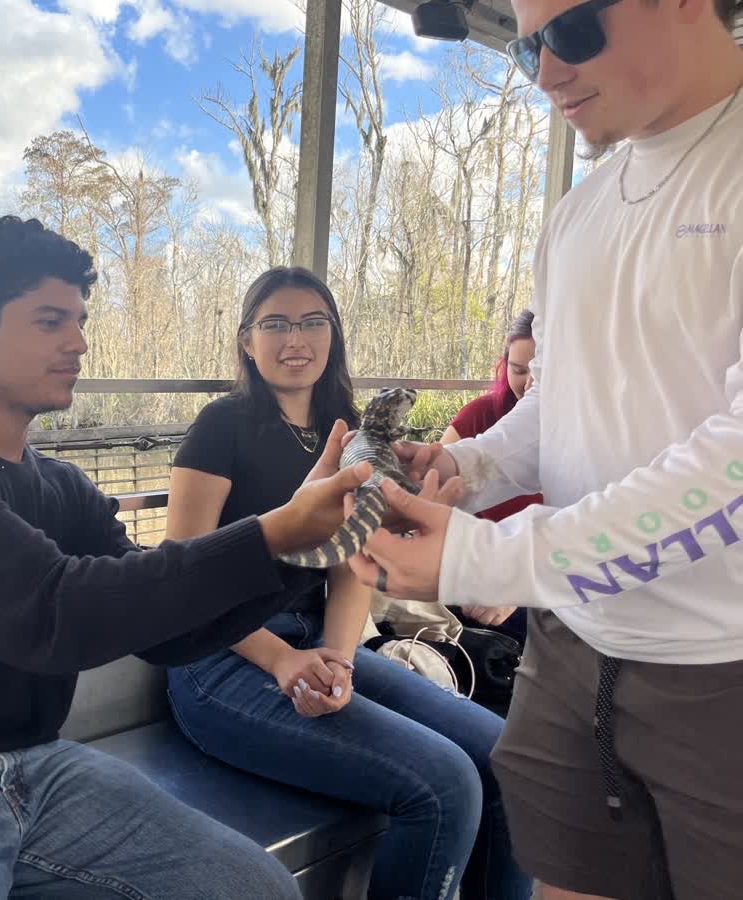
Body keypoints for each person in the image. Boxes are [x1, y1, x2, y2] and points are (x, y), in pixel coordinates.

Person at [0, 216, 378, 898]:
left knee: (261, 890)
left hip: (36, 773)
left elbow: (171, 630)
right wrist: (271, 533)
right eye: (50, 321)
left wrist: (305, 545)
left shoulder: (62, 488)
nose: (78, 343)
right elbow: (54, 613)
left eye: (79, 321)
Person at [345, 5, 743, 899]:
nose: (542, 70)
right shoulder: (576, 213)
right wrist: (470, 472)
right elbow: (560, 398)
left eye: (569, 31)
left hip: (722, 668)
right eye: (525, 43)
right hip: (566, 655)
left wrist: (489, 555)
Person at [163, 266, 532, 900]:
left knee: (507, 758)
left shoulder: (352, 426)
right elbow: (180, 576)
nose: (294, 338)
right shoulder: (222, 425)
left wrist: (339, 658)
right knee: (444, 785)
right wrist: (283, 660)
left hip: (321, 640)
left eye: (313, 321)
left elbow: (350, 562)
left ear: (333, 335)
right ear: (247, 340)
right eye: (274, 323)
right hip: (221, 655)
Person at [440, 309, 543, 637]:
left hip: (538, 571)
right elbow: (437, 499)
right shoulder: (478, 415)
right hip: (474, 565)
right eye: (519, 370)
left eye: (540, 373)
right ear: (504, 365)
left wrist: (519, 584)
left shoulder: (580, 435)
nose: (528, 384)